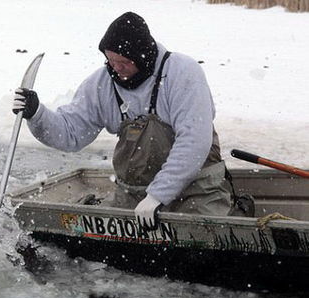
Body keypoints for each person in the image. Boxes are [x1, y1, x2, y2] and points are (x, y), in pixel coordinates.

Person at [12, 12, 234, 230]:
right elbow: (70, 134)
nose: (116, 68)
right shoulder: (102, 83)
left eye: (124, 62)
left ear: (142, 56)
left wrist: (158, 195)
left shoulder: (182, 72)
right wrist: (36, 113)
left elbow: (194, 142)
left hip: (197, 190)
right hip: (134, 196)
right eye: (110, 60)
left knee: (201, 240)